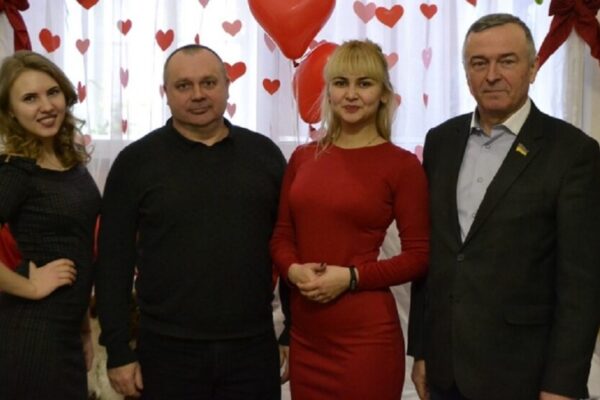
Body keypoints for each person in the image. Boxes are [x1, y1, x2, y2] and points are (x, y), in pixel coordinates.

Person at [408, 13, 600, 400]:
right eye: (479, 63)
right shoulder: (441, 141)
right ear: (466, 73)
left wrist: (562, 384)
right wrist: (422, 350)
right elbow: (435, 256)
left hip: (525, 377)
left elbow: (582, 285)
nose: (492, 75)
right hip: (446, 371)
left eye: (507, 61)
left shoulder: (574, 153)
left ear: (533, 68)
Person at [95, 44, 287, 399]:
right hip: (166, 351)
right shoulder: (135, 162)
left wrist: (291, 332)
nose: (198, 95)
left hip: (253, 347)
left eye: (208, 83)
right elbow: (112, 262)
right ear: (166, 93)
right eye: (183, 85)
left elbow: (288, 247)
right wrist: (118, 349)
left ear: (227, 86)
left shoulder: (265, 156)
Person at [270, 39, 430, 400]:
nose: (352, 94)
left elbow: (419, 256)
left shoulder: (402, 166)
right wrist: (293, 270)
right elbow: (281, 235)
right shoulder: (302, 158)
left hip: (366, 339)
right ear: (329, 91)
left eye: (365, 83)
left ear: (384, 94)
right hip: (306, 337)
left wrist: (352, 277)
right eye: (341, 83)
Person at [0, 50, 100, 399]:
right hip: (31, 334)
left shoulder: (68, 160)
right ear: (10, 111)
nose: (46, 106)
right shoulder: (15, 170)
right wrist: (30, 286)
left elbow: (75, 245)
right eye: (30, 98)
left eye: (52, 92)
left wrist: (83, 328)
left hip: (64, 331)